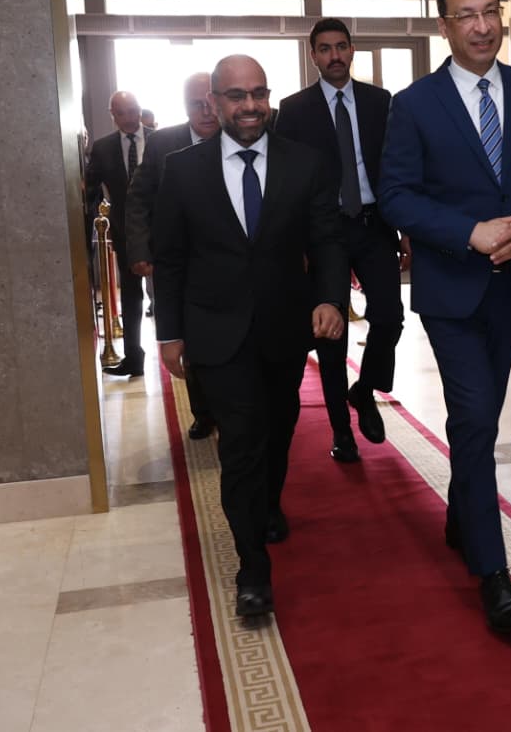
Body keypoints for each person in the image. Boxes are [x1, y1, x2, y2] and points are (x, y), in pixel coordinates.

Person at [378, 0, 511, 634]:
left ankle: (458, 509)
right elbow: (397, 196)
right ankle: (493, 574)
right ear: (445, 25)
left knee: (479, 419)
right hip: (451, 291)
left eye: (490, 10)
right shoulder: (415, 104)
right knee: (473, 419)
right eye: (466, 15)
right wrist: (468, 232)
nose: (482, 25)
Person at [155, 55, 348, 618]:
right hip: (215, 330)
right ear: (214, 103)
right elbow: (170, 259)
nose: (250, 106)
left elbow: (328, 238)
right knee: (240, 444)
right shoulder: (182, 170)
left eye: (259, 94)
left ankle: (267, 504)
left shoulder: (304, 163)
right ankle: (252, 569)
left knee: (278, 429)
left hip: (284, 326)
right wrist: (170, 333)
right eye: (237, 96)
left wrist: (329, 297)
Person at [277, 19, 409, 463]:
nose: (334, 55)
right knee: (330, 336)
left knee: (390, 317)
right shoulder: (294, 110)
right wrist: (296, 246)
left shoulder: (379, 101)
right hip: (323, 231)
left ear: (352, 51)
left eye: (341, 46)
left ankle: (365, 389)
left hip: (373, 225)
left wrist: (406, 229)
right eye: (324, 48)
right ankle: (341, 432)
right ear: (313, 55)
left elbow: (396, 169)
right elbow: (286, 182)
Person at [125, 72, 223, 440]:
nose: (206, 112)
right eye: (197, 105)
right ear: (184, 107)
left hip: (231, 263)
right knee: (193, 343)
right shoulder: (163, 144)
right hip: (183, 265)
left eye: (211, 103)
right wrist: (140, 248)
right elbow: (138, 200)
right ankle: (203, 412)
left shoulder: (241, 137)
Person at [85, 91, 155, 378]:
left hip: (165, 229)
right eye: (121, 112)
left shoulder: (160, 140)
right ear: (112, 115)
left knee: (171, 294)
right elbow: (89, 190)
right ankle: (134, 358)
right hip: (125, 233)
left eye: (133, 110)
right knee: (131, 296)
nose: (129, 117)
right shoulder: (102, 148)